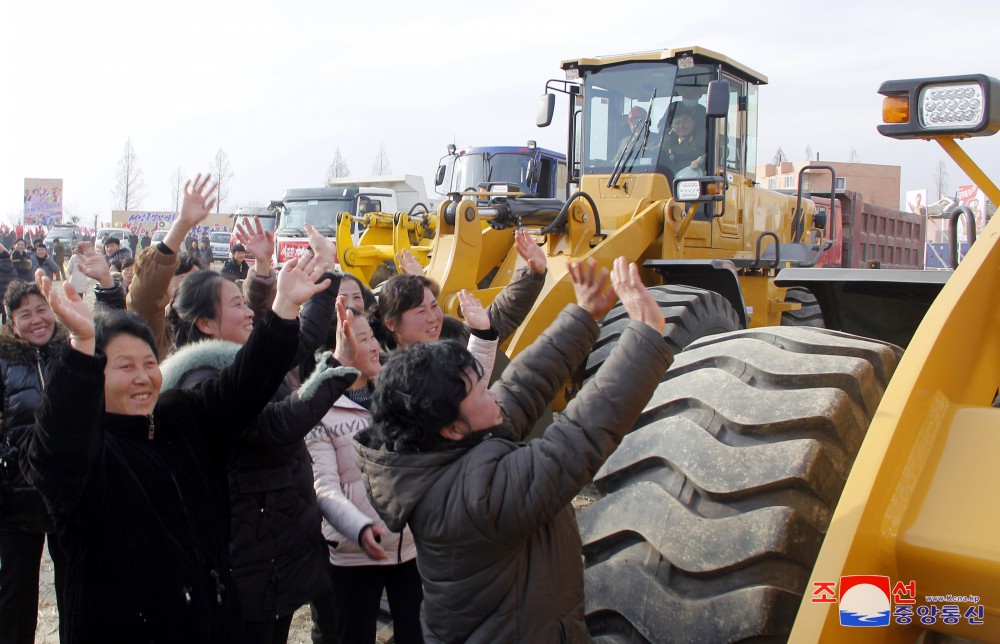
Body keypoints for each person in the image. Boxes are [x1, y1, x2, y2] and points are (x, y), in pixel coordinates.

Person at [354, 257, 673, 642]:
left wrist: (586, 315)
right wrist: (645, 336)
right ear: (452, 428)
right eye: (477, 392)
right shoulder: (478, 497)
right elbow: (576, 439)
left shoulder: (438, 453)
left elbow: (523, 387)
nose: (490, 394)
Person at [22, 247, 331, 643]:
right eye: (124, 366)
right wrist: (81, 345)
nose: (142, 377)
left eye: (149, 364)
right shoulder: (90, 454)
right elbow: (54, 449)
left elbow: (245, 383)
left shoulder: (181, 417)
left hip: (213, 624)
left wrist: (285, 304)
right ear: (94, 378)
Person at [160, 212, 349, 644]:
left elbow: (301, 338)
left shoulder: (239, 361)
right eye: (237, 304)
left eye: (246, 303)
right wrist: (337, 369)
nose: (248, 311)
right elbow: (279, 425)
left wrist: (326, 268)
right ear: (204, 324)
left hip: (271, 552)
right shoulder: (201, 382)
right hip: (244, 561)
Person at [306, 288, 496, 644]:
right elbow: (325, 487)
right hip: (353, 556)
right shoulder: (319, 409)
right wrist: (359, 528)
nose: (375, 345)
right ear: (337, 347)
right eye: (361, 338)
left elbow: (462, 396)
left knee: (419, 635)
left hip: (411, 548)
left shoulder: (397, 392)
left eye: (373, 335)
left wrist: (483, 335)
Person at [0, 280, 67, 644]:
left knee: (75, 591)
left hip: (68, 498)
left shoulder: (73, 352)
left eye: (42, 309)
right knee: (14, 599)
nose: (36, 320)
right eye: (25, 314)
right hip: (16, 501)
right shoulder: (3, 362)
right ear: (12, 323)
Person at [660, 103, 706, 174]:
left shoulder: (704, 137)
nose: (681, 126)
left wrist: (703, 158)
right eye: (677, 123)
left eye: (685, 121)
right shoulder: (666, 141)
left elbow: (720, 151)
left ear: (693, 122)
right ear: (672, 126)